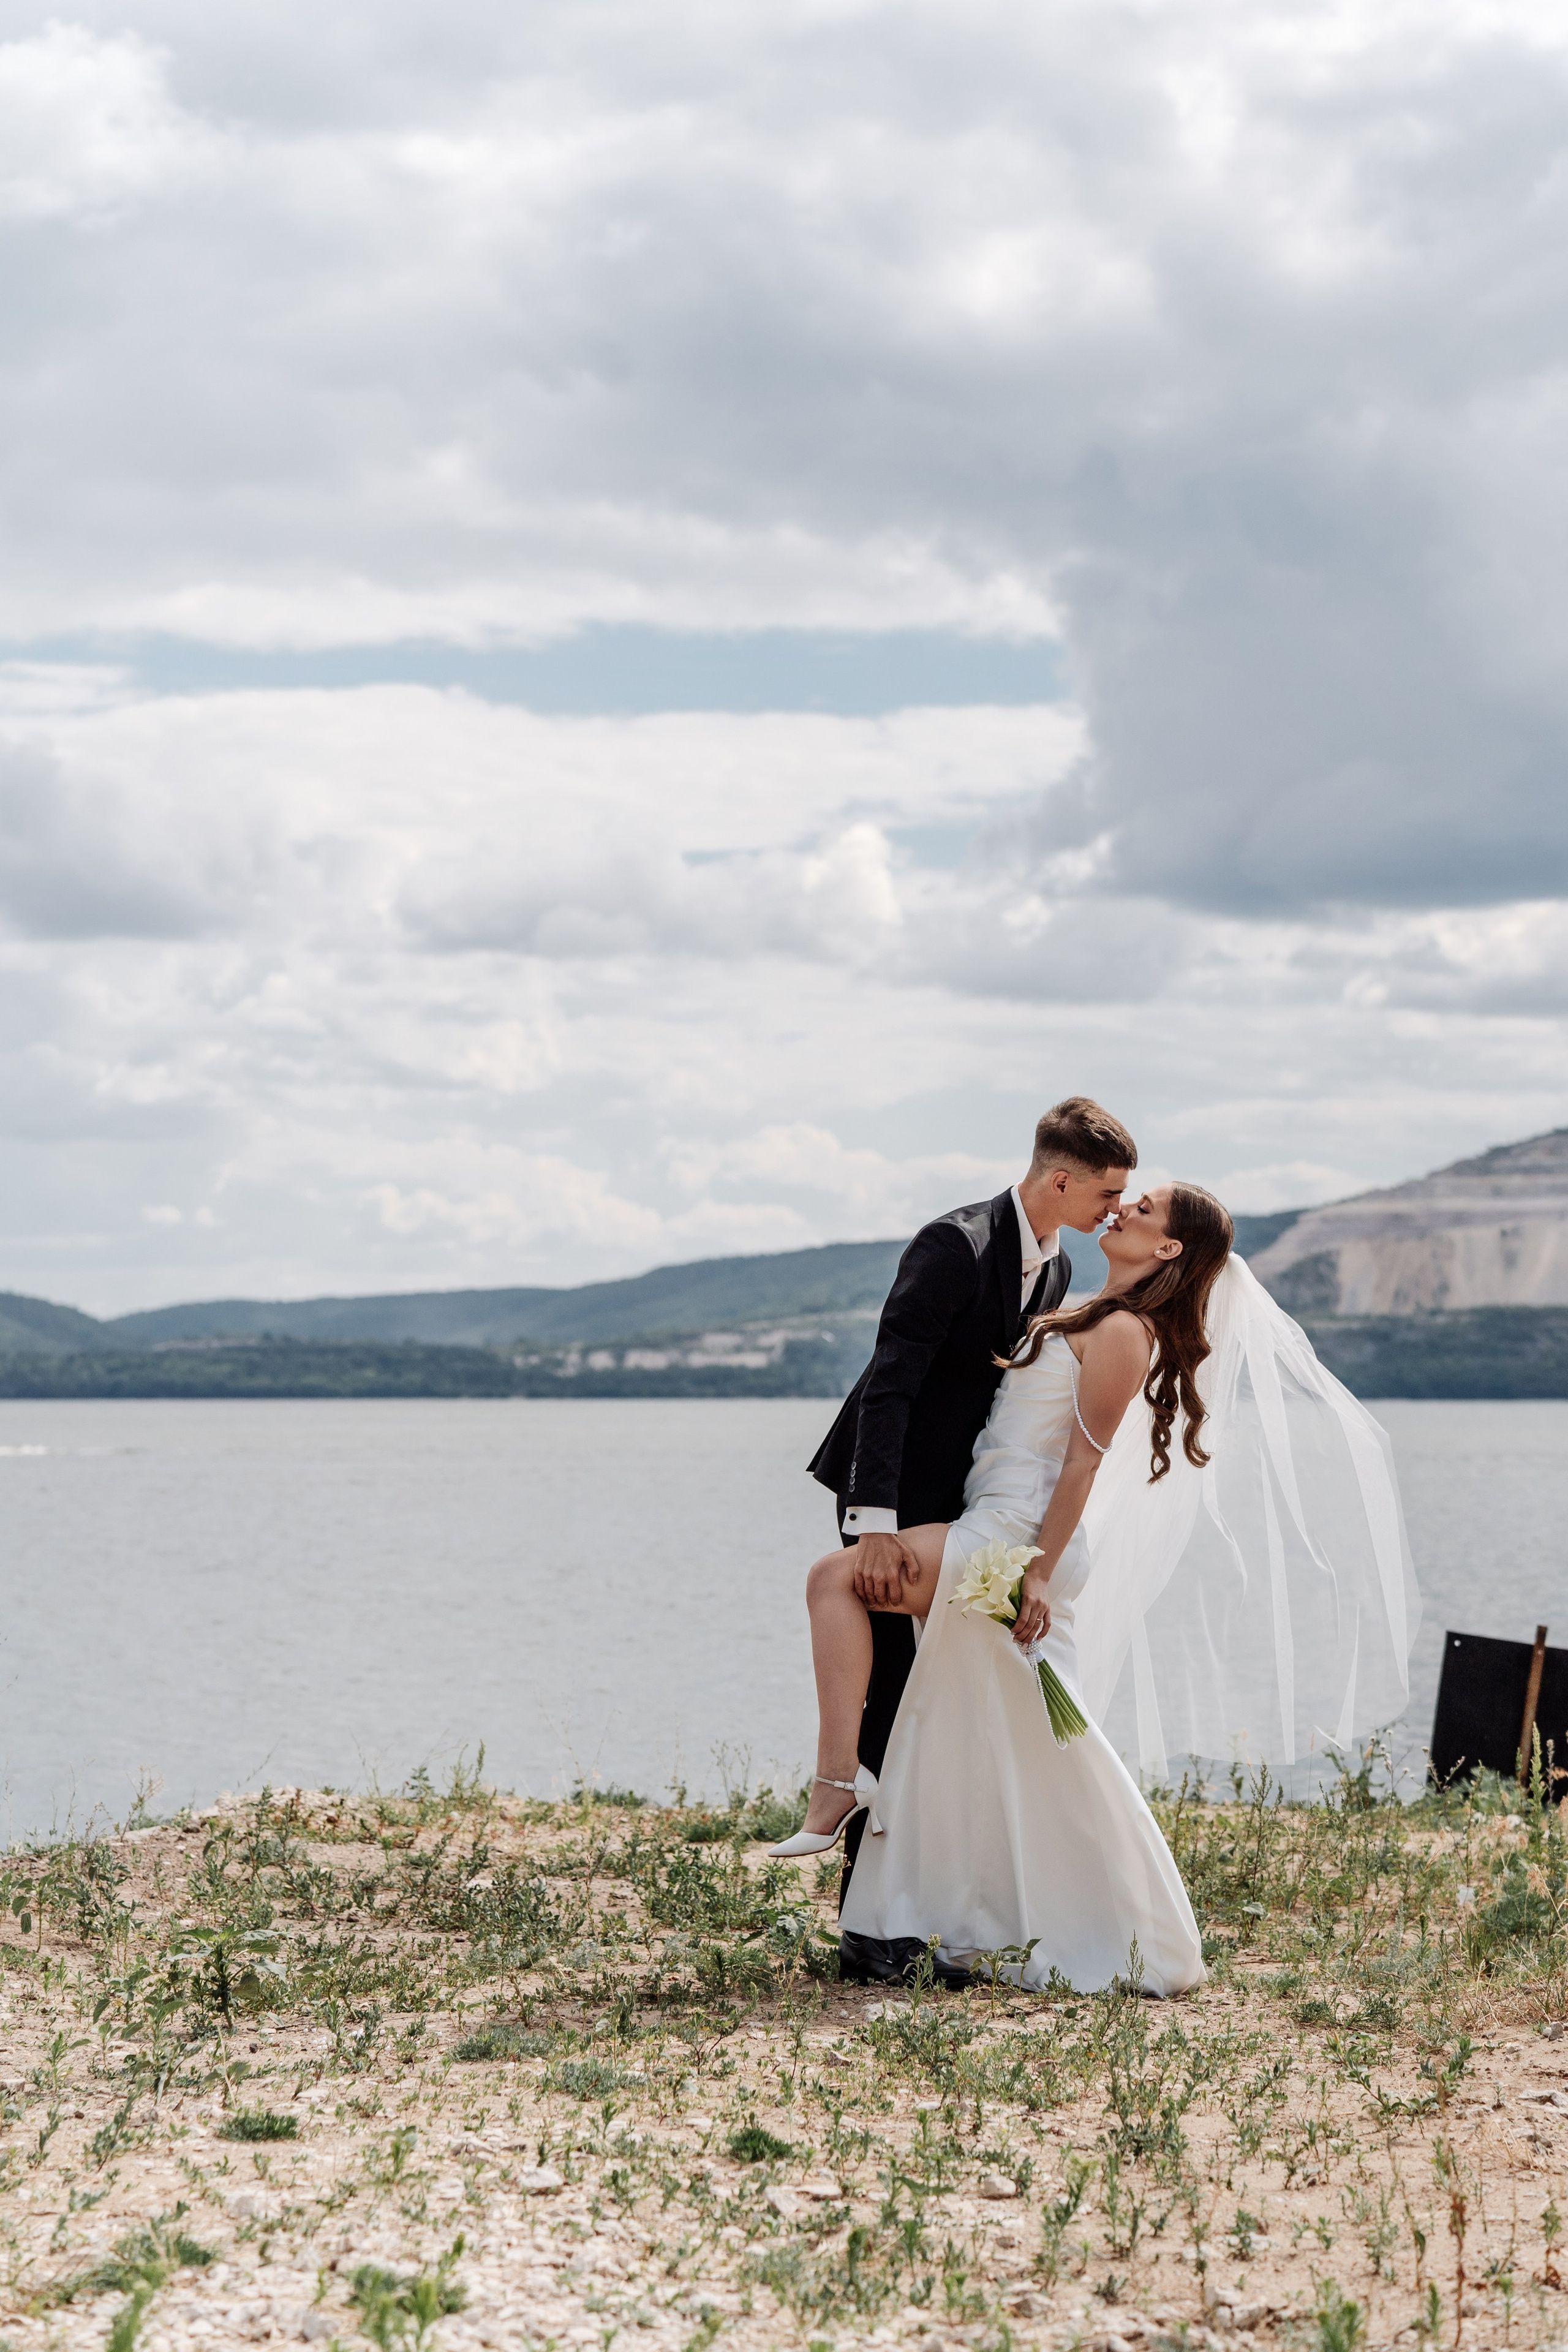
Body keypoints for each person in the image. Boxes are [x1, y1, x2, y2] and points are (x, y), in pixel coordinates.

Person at [777, 1180, 1419, 1995]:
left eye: (1143, 1209)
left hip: (1013, 1541)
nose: (1124, 1211)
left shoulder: (1122, 1331)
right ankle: (923, 1927)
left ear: (1168, 1249)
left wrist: (1037, 1573)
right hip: (998, 1526)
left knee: (837, 1581)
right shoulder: (1083, 1303)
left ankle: (841, 1784)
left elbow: (1083, 1462)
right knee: (988, 1742)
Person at [804, 1096, 1136, 1976]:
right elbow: (891, 1384)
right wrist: (871, 1524)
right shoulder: (955, 1244)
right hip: (889, 1496)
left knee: (938, 1702)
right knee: (891, 1695)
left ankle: (916, 1909)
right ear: (1059, 1179)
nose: (1113, 1212)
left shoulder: (1061, 1274)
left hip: (969, 1517)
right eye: (1106, 1194)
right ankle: (873, 1924)